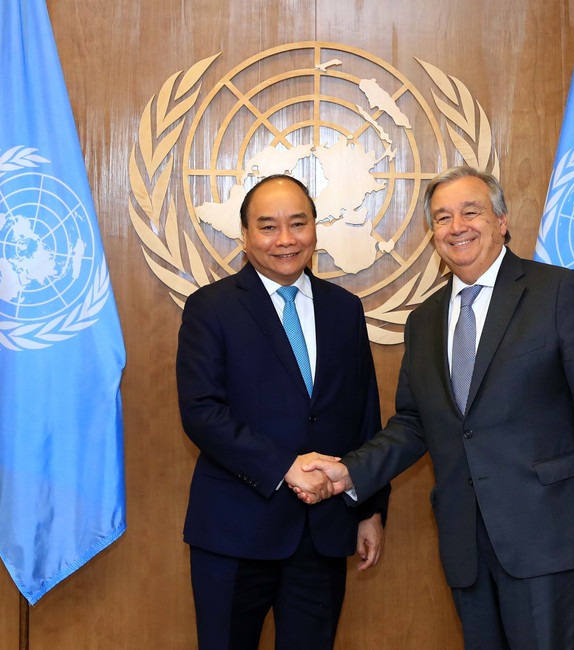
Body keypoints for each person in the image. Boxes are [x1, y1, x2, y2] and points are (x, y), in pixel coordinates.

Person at [298, 166, 574, 649]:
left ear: (502, 221)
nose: (457, 227)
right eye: (443, 218)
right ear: (433, 234)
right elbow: (415, 423)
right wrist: (349, 473)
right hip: (466, 543)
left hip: (548, 537)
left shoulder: (557, 292)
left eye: (471, 212)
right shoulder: (425, 320)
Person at [176, 174, 390, 649]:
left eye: (298, 223)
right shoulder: (211, 308)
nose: (286, 239)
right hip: (235, 532)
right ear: (245, 235)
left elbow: (364, 415)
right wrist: (284, 467)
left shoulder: (345, 309)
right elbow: (201, 412)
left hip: (324, 533)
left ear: (315, 227)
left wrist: (369, 509)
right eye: (268, 226)